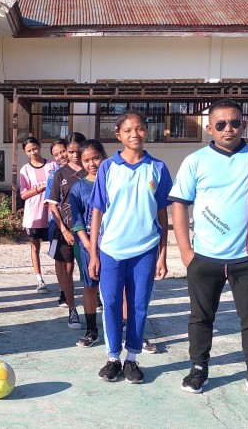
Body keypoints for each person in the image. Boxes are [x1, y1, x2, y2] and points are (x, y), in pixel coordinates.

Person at [168, 99, 248, 399]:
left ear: (243, 124)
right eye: (220, 124)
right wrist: (185, 251)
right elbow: (179, 205)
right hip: (205, 259)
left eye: (234, 122)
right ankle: (199, 368)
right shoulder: (195, 161)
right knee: (200, 317)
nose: (228, 129)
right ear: (209, 128)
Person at [88, 111, 172, 384]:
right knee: (111, 303)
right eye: (128, 130)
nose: (134, 134)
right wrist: (93, 253)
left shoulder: (157, 168)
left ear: (147, 131)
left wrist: (162, 254)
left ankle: (132, 359)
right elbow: (97, 212)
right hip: (111, 248)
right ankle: (113, 357)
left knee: (138, 306)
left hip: (145, 249)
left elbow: (162, 214)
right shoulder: (108, 167)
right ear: (118, 135)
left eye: (140, 129)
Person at [69, 139, 107, 347]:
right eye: (86, 160)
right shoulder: (78, 188)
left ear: (104, 157)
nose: (92, 163)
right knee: (90, 286)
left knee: (121, 289)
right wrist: (91, 249)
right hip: (87, 247)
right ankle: (92, 330)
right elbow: (78, 223)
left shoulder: (115, 182)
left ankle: (127, 329)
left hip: (114, 246)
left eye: (96, 158)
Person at [47, 133, 87, 329]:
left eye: (77, 150)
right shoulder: (60, 174)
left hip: (91, 231)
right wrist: (63, 230)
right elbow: (53, 205)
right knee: (68, 270)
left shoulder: (94, 171)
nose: (74, 154)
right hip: (67, 231)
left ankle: (98, 306)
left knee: (94, 271)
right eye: (70, 151)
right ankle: (72, 309)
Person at [19, 136, 56, 293]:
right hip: (34, 215)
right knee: (35, 247)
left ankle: (61, 277)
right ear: (25, 152)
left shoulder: (53, 165)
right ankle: (39, 279)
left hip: (53, 214)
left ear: (40, 147)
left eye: (35, 148)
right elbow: (23, 195)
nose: (33, 152)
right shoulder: (25, 170)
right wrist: (39, 189)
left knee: (56, 247)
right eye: (29, 150)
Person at [45, 138, 70, 306]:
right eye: (56, 154)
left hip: (82, 222)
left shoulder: (83, 170)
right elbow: (50, 202)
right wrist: (61, 226)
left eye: (62, 151)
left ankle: (95, 293)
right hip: (58, 222)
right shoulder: (54, 175)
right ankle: (64, 292)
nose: (61, 156)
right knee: (61, 260)